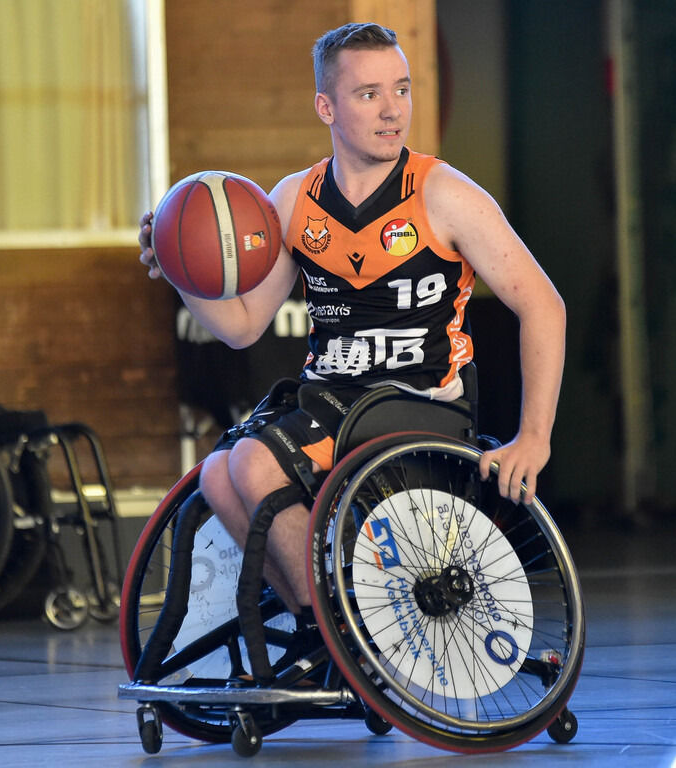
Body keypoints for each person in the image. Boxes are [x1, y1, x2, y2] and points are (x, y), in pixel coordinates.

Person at [139, 22, 566, 616]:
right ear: (326, 107)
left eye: (402, 89)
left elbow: (543, 304)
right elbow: (241, 327)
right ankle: (325, 621)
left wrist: (534, 439)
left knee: (253, 461)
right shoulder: (293, 200)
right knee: (215, 474)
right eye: (369, 94)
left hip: (418, 402)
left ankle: (333, 616)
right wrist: (180, 266)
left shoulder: (444, 194)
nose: (393, 110)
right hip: (333, 401)